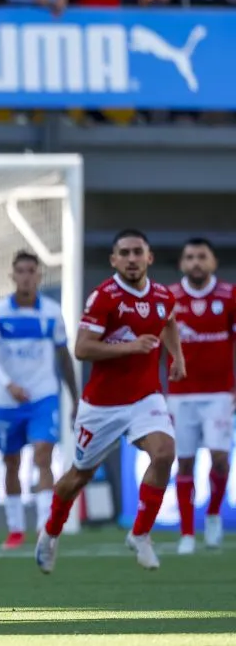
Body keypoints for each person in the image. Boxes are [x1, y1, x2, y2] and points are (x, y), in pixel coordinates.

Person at [36, 229, 184, 573]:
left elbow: (169, 321)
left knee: (164, 454)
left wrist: (177, 357)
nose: (131, 259)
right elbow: (82, 348)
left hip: (146, 398)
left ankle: (141, 534)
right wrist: (130, 347)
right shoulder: (104, 297)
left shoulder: (163, 295)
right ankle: (51, 532)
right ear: (114, 260)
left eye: (137, 252)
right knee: (78, 477)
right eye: (124, 253)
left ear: (149, 257)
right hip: (102, 406)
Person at [0, 250, 79, 550]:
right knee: (11, 463)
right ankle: (15, 529)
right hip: (7, 401)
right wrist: (8, 384)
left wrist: (76, 397)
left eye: (31, 271)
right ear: (13, 276)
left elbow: (64, 356)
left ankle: (44, 529)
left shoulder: (51, 312)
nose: (26, 276)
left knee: (43, 456)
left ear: (39, 275)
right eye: (20, 271)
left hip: (43, 396)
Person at [166, 237, 235, 554]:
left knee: (220, 459)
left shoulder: (229, 296)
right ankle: (187, 533)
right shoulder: (169, 298)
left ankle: (212, 517)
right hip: (180, 395)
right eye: (190, 257)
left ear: (212, 262)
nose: (196, 262)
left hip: (220, 392)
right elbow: (155, 347)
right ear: (182, 264)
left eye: (201, 257)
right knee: (184, 462)